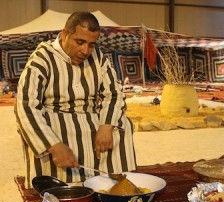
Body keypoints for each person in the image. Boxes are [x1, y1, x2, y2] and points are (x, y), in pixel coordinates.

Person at [14, 11, 137, 188]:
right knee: (57, 127)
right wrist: (54, 146)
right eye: (80, 42)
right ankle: (62, 184)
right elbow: (26, 105)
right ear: (65, 34)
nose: (85, 51)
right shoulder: (42, 58)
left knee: (122, 124)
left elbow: (115, 92)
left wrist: (106, 125)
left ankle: (109, 181)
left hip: (90, 115)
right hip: (56, 117)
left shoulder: (98, 57)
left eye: (91, 45)